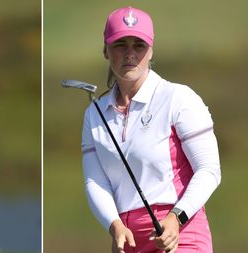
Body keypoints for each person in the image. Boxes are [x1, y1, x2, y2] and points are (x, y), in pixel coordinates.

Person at [81, 6, 221, 253]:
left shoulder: (179, 98)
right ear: (106, 50)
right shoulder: (95, 112)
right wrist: (114, 225)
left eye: (139, 45)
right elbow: (96, 180)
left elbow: (209, 170)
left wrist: (176, 217)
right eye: (120, 45)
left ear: (151, 50)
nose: (130, 54)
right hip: (127, 239)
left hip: (179, 232)